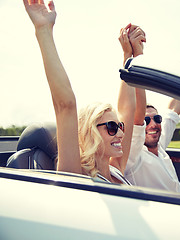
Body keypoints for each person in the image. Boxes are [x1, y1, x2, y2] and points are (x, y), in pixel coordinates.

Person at [22, 0, 142, 184]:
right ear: (89, 132)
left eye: (120, 126)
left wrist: (129, 57)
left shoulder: (116, 169)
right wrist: (43, 30)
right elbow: (66, 106)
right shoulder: (76, 176)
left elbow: (128, 109)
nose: (120, 134)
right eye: (111, 127)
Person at [119, 35, 180, 192]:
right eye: (146, 120)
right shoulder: (132, 156)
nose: (153, 124)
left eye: (157, 118)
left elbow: (173, 108)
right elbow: (135, 114)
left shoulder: (160, 144)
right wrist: (135, 57)